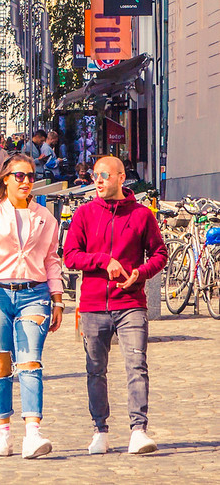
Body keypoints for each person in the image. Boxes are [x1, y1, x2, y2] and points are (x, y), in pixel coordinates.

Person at [63, 155, 168, 455]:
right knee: (95, 369)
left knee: (136, 365)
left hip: (131, 302)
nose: (98, 180)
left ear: (122, 178)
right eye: (95, 174)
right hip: (94, 304)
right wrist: (101, 261)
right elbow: (70, 255)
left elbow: (160, 253)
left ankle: (139, 430)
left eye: (105, 175)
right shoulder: (84, 214)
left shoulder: (141, 215)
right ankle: (100, 430)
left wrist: (141, 272)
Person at [0, 153, 64, 460]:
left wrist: (58, 298)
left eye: (30, 176)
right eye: (19, 176)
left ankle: (33, 434)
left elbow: (52, 259)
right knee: (0, 363)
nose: (26, 182)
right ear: (6, 178)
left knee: (30, 361)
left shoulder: (45, 218)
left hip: (34, 294)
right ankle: (3, 434)